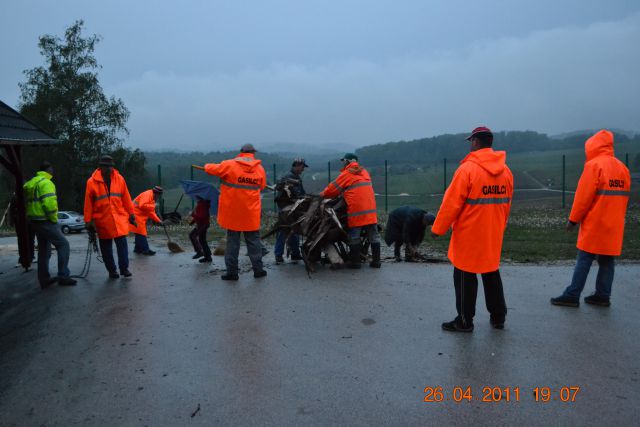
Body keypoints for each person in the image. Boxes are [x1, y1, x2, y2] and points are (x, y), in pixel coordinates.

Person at [431, 126, 513, 332]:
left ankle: (465, 320)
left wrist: (438, 228)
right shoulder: (506, 171)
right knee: (491, 272)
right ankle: (498, 316)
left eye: (470, 141)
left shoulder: (467, 170)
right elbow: (506, 203)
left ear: (476, 142)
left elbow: (451, 203)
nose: (470, 145)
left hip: (469, 233)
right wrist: (500, 226)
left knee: (464, 275)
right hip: (492, 231)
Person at [551, 130, 631, 308]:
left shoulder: (594, 166)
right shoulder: (622, 169)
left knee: (584, 258)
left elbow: (583, 198)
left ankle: (572, 294)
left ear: (592, 146)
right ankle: (603, 295)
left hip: (595, 223)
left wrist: (573, 220)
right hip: (615, 223)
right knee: (607, 260)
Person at [193, 143, 267, 280]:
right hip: (251, 213)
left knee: (233, 243)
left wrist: (207, 166)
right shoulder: (260, 169)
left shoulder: (230, 165)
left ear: (241, 152)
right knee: (254, 242)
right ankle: (258, 270)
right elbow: (261, 187)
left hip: (233, 213)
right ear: (253, 153)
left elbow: (213, 169)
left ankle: (232, 273)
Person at [320, 153, 381, 269]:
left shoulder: (347, 174)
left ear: (347, 162)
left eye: (344, 161)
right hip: (371, 212)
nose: (343, 163)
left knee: (354, 237)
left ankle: (356, 263)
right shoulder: (365, 172)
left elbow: (331, 190)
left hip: (357, 212)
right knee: (374, 236)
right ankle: (376, 262)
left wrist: (320, 196)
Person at [23, 161, 76, 288]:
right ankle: (63, 276)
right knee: (63, 244)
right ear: (49, 170)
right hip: (46, 221)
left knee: (44, 250)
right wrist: (53, 220)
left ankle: (44, 279)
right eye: (52, 170)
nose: (53, 172)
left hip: (35, 221)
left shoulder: (32, 183)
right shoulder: (47, 183)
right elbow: (49, 205)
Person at [84, 155, 137, 279]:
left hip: (119, 218)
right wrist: (88, 221)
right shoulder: (91, 182)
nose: (109, 169)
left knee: (122, 245)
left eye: (110, 166)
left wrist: (132, 214)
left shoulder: (119, 179)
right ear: (100, 167)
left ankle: (124, 269)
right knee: (106, 248)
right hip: (103, 220)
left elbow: (126, 198)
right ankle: (112, 271)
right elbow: (88, 203)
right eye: (106, 166)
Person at [274, 158, 308, 263]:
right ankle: (278, 255)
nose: (303, 170)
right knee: (284, 231)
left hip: (293, 208)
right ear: (297, 165)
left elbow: (301, 193)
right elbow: (297, 194)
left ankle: (295, 254)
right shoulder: (289, 178)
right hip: (286, 208)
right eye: (302, 167)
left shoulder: (296, 177)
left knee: (294, 230)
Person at [131, 186, 165, 255]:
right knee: (141, 233)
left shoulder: (152, 199)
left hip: (138, 216)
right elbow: (142, 205)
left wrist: (159, 221)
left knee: (139, 233)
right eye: (159, 195)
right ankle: (145, 250)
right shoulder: (147, 195)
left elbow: (151, 213)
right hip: (135, 215)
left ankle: (137, 249)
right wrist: (153, 206)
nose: (158, 197)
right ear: (157, 194)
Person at [189, 196, 212, 263]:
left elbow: (202, 216)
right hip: (202, 224)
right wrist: (192, 221)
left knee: (192, 235)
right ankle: (208, 257)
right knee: (202, 240)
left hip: (203, 224)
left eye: (197, 196)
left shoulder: (203, 204)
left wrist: (192, 214)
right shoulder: (201, 203)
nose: (195, 196)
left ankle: (199, 252)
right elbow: (199, 215)